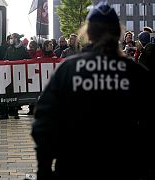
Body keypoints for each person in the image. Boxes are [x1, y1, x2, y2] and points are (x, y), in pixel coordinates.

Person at [32, 2, 154, 180]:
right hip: (125, 168)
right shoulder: (135, 73)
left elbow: (44, 122)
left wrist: (44, 169)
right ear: (118, 33)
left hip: (74, 168)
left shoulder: (69, 69)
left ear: (87, 33)